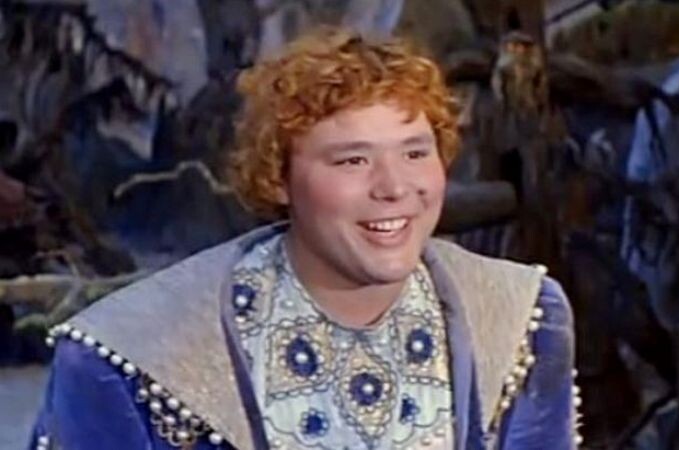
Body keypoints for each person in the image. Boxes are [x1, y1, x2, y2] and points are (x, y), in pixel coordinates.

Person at [29, 28, 580, 450]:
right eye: (353, 160)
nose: (395, 187)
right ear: (279, 178)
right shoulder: (131, 354)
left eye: (415, 153)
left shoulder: (518, 316)